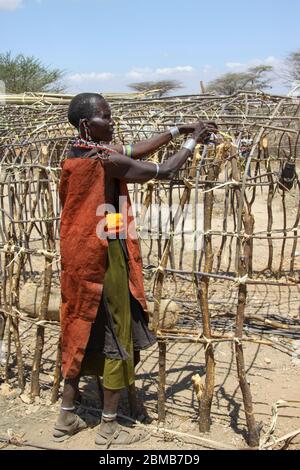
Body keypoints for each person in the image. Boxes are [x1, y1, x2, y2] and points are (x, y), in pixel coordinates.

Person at [54, 92, 217, 446]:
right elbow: (164, 170)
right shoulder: (101, 161)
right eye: (106, 118)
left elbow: (136, 150)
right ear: (87, 124)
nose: (112, 123)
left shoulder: (79, 151)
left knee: (80, 327)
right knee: (116, 330)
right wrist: (193, 139)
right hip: (103, 254)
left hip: (79, 256)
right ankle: (109, 426)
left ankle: (66, 418)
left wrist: (175, 129)